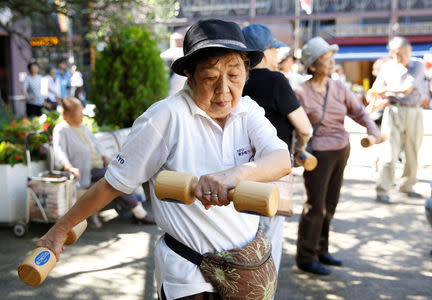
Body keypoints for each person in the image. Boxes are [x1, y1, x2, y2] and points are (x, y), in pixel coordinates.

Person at [37, 19, 291, 299]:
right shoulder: (165, 117)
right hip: (191, 276)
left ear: (245, 72)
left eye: (234, 76)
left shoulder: (248, 110)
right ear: (189, 75)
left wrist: (235, 175)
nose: (223, 90)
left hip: (244, 268)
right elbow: (113, 184)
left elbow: (281, 159)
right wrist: (59, 231)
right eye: (210, 78)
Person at [294, 37, 381, 275]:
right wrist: (297, 151)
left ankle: (321, 250)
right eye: (326, 58)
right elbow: (293, 126)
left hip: (341, 148)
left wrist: (373, 130)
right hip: (317, 153)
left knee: (330, 203)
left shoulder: (340, 87)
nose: (332, 62)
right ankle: (306, 256)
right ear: (312, 65)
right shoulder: (300, 92)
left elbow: (359, 112)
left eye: (332, 57)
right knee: (315, 206)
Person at [242, 23, 312, 272]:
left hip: (237, 169)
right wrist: (301, 148)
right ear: (265, 51)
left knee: (242, 235)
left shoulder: (237, 79)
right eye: (275, 50)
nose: (277, 56)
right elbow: (304, 127)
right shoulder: (276, 80)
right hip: (272, 169)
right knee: (270, 236)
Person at [53, 97, 156, 227]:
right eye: (79, 112)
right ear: (67, 114)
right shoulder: (62, 129)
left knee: (120, 174)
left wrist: (104, 156)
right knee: (115, 177)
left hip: (98, 168)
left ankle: (136, 210)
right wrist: (68, 166)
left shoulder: (82, 126)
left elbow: (96, 144)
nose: (82, 114)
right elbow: (59, 151)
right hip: (84, 171)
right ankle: (139, 212)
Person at [369, 36, 426, 203]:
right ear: (391, 53)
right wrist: (373, 97)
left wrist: (383, 91)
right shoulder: (387, 67)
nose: (401, 57)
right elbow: (375, 89)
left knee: (412, 150)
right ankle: (383, 188)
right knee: (388, 151)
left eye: (404, 53)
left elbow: (407, 88)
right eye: (397, 54)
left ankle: (407, 185)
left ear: (410, 51)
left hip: (414, 111)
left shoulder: (418, 64)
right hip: (393, 110)